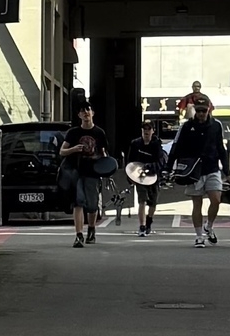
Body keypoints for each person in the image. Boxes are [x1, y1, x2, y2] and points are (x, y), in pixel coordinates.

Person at [167, 90, 230, 247]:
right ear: (195, 110)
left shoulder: (216, 126)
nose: (202, 113)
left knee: (216, 200)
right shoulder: (187, 127)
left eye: (204, 110)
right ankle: (198, 236)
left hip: (212, 168)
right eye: (199, 110)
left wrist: (227, 171)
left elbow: (221, 148)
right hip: (193, 170)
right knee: (197, 204)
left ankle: (208, 226)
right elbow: (176, 147)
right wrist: (168, 168)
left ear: (209, 109)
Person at [59, 103, 112, 247]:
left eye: (88, 110)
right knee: (78, 202)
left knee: (92, 205)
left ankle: (92, 229)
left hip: (93, 173)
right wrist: (74, 149)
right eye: (82, 111)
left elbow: (104, 153)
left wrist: (107, 168)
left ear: (92, 113)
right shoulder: (73, 133)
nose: (86, 113)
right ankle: (78, 235)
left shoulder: (99, 133)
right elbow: (62, 151)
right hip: (76, 172)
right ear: (79, 115)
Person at [124, 113, 167, 238]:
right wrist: (130, 176)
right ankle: (142, 226)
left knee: (153, 202)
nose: (146, 132)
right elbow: (130, 162)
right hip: (140, 176)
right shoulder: (135, 144)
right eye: (144, 129)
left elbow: (160, 161)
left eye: (149, 129)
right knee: (142, 200)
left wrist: (150, 167)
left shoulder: (157, 144)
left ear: (153, 131)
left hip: (154, 176)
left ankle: (149, 221)